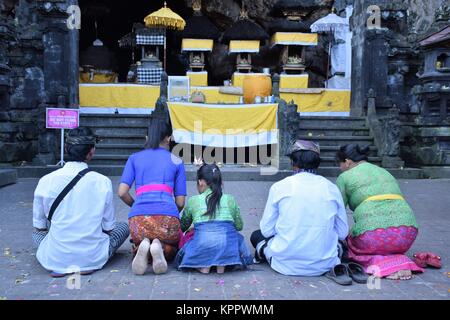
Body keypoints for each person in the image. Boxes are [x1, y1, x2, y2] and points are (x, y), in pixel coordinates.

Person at [32, 127, 129, 278]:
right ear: (91, 152)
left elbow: (39, 226)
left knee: (37, 235)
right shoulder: (102, 181)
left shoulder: (46, 180)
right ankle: (85, 263)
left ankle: (60, 260)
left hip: (55, 258)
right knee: (123, 227)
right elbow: (109, 228)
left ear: (66, 148)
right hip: (93, 257)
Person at [251, 140, 350, 279]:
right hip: (324, 264)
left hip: (284, 265)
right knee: (340, 243)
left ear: (293, 163)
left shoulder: (279, 187)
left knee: (256, 235)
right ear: (317, 163)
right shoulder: (331, 188)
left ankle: (264, 253)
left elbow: (267, 230)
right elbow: (342, 232)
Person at [335, 144, 424, 280]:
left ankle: (385, 265)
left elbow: (338, 210)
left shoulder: (345, 177)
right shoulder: (384, 171)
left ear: (347, 162)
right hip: (408, 234)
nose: (340, 168)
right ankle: (399, 259)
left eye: (339, 164)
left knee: (348, 245)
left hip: (373, 236)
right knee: (383, 241)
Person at [118, 116, 186, 275]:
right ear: (169, 138)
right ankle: (159, 246)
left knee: (140, 239)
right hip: (166, 218)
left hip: (138, 221)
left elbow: (122, 192)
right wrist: (168, 210)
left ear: (147, 138)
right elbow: (181, 202)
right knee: (173, 247)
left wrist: (136, 205)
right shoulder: (176, 160)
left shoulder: (134, 158)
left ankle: (143, 246)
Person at [175, 164, 253, 274]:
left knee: (190, 239)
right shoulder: (230, 199)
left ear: (201, 182)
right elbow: (239, 226)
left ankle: (203, 266)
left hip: (202, 246)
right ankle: (222, 264)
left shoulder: (193, 201)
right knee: (236, 238)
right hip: (227, 247)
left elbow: (182, 226)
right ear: (220, 182)